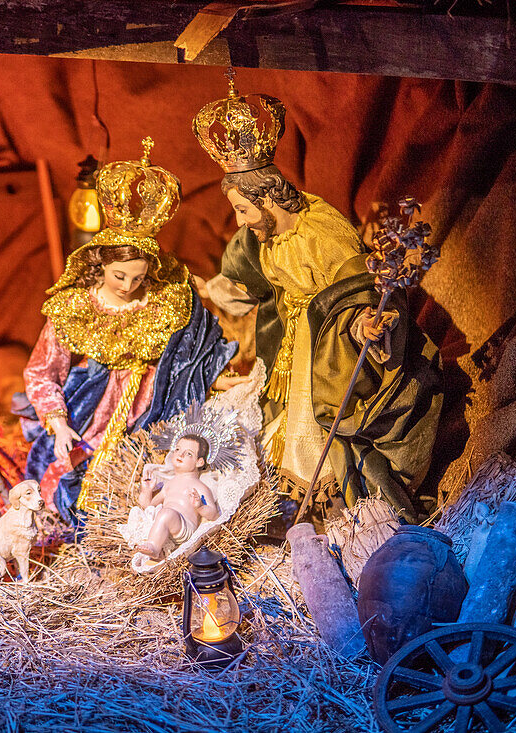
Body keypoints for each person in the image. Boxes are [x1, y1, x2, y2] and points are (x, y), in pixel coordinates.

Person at [192, 74, 442, 520]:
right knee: (282, 421)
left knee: (316, 432)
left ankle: (322, 511)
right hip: (292, 343)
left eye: (243, 209)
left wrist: (362, 324)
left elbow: (356, 293)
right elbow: (251, 286)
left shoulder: (323, 233)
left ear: (267, 199)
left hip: (327, 349)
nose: (240, 220)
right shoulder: (265, 238)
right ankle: (281, 506)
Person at [20, 139, 239, 523]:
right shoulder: (75, 307)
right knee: (74, 486)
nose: (127, 286)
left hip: (156, 410)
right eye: (119, 276)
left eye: (139, 278)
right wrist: (57, 423)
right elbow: (42, 370)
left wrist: (221, 380)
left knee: (149, 492)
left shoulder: (167, 301)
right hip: (92, 409)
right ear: (100, 265)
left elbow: (194, 356)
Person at [134, 435, 220, 560]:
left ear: (199, 462)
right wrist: (146, 491)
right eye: (178, 450)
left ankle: (154, 548)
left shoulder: (199, 486)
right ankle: (159, 550)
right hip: (166, 522)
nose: (180, 455)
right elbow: (149, 507)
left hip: (184, 527)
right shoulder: (169, 484)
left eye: (189, 454)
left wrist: (200, 506)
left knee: (166, 514)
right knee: (158, 514)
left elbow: (214, 515)